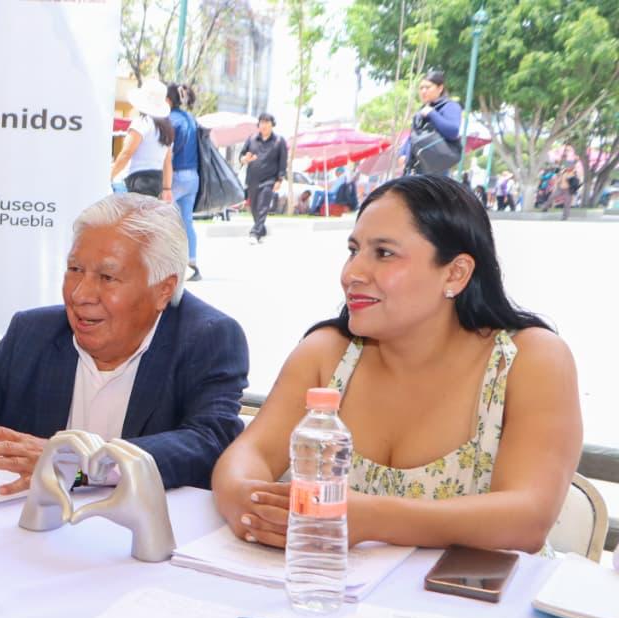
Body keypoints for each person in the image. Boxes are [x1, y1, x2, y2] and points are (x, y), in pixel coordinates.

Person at [211, 174, 580, 553]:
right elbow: (249, 455)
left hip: (485, 592)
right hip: (338, 586)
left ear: (456, 273)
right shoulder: (326, 354)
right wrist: (247, 500)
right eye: (353, 250)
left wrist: (368, 519)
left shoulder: (529, 360)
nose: (351, 274)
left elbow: (528, 518)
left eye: (384, 253)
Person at [0, 193, 249, 493]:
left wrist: (84, 464)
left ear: (163, 289)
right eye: (74, 269)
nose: (80, 294)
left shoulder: (207, 338)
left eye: (107, 278)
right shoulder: (37, 332)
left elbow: (206, 443)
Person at [163, 82, 202, 281]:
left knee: (160, 217)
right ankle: (192, 264)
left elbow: (167, 154)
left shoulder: (169, 120)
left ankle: (162, 265)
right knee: (187, 221)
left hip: (176, 175)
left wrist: (165, 184)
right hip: (193, 176)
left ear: (168, 99)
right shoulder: (191, 119)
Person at [110, 79, 174, 199]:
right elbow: (167, 161)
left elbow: (126, 153)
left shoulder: (142, 122)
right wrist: (167, 188)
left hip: (138, 180)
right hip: (157, 180)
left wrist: (110, 175)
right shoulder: (167, 128)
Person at [399, 70, 463, 176]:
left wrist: (432, 114)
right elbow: (413, 136)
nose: (423, 91)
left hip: (435, 172)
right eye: (421, 88)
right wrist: (403, 152)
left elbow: (453, 131)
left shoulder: (450, 106)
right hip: (414, 170)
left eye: (428, 87)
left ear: (440, 88)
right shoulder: (421, 111)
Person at [241, 113, 288, 244]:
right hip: (252, 179)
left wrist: (279, 179)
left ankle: (254, 233)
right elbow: (242, 156)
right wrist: (245, 159)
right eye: (262, 122)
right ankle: (261, 229)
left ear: (272, 125)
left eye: (267, 122)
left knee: (263, 206)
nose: (264, 125)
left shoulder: (279, 141)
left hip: (269, 180)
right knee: (254, 208)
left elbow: (282, 162)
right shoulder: (252, 139)